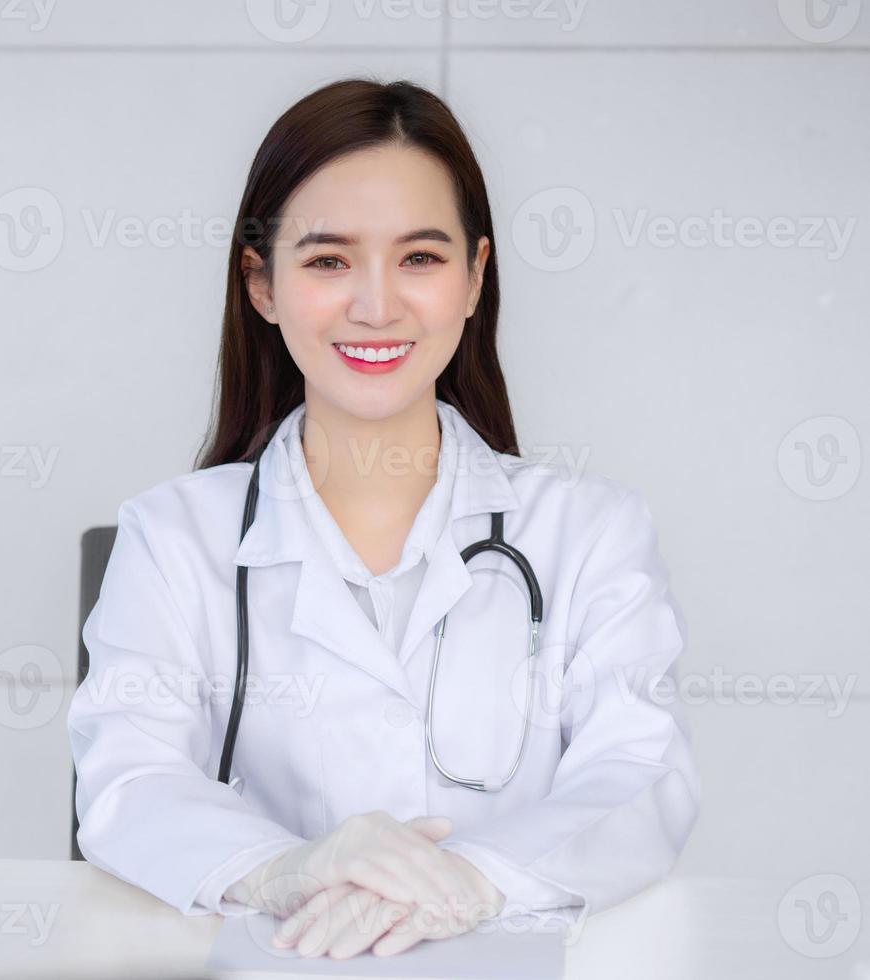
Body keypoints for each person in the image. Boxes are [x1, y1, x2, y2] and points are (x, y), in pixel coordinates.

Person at [65, 77, 700, 961]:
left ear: (476, 278)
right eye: (328, 260)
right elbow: (129, 783)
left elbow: (641, 776)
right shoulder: (173, 537)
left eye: (421, 258)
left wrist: (478, 881)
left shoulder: (590, 531)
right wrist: (285, 869)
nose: (376, 305)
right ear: (262, 285)